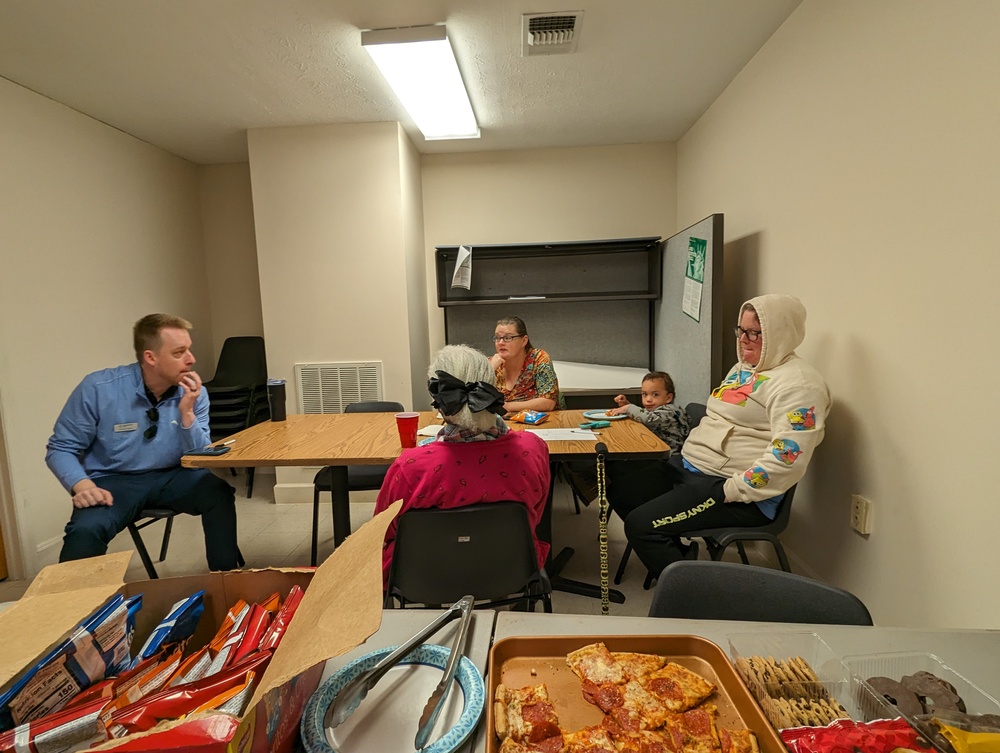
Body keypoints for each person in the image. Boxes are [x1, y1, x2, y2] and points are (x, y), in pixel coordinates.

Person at [610, 294, 831, 577]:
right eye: (741, 330)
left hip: (731, 489)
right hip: (691, 468)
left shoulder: (799, 386)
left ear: (781, 334)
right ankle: (682, 559)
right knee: (619, 489)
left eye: (755, 333)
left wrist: (731, 490)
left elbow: (786, 459)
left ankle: (695, 597)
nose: (744, 339)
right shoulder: (744, 369)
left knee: (641, 525)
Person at [46, 314, 240, 572]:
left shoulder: (194, 392)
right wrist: (82, 486)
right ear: (151, 357)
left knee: (218, 493)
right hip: (113, 480)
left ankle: (227, 579)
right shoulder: (98, 388)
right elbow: (61, 448)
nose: (191, 359)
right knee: (85, 530)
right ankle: (69, 605)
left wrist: (187, 414)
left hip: (173, 475)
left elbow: (201, 456)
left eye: (189, 350)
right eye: (179, 352)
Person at [374, 344, 551, 585]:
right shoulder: (533, 449)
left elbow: (384, 530)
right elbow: (534, 515)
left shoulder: (410, 466)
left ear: (438, 396)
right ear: (492, 388)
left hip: (426, 577)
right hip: (511, 569)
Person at [488, 316, 562, 412]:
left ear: (524, 341)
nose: (501, 342)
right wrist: (490, 370)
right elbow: (472, 399)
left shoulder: (538, 358)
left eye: (508, 338)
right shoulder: (490, 364)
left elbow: (548, 403)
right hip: (500, 424)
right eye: (497, 338)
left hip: (539, 423)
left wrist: (508, 407)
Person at [608, 371, 690, 452]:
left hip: (667, 455)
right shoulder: (657, 409)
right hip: (653, 449)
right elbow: (643, 414)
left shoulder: (669, 412)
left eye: (655, 394)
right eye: (644, 394)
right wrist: (626, 404)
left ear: (668, 398)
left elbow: (648, 418)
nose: (648, 399)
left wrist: (628, 408)